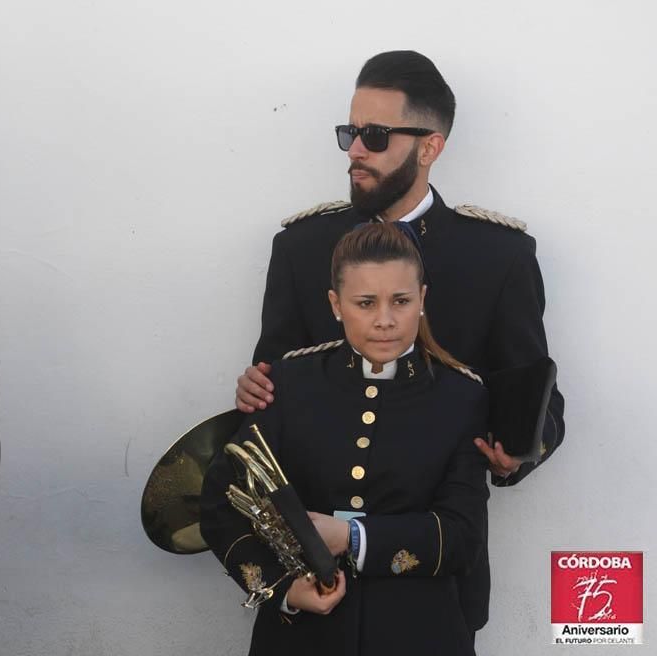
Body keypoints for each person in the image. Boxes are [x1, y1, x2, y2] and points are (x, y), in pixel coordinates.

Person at [233, 50, 564, 633]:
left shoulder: (498, 257)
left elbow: (540, 406)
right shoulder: (301, 246)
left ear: (430, 147)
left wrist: (517, 453)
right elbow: (277, 381)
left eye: (375, 135)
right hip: (311, 576)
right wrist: (253, 389)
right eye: (351, 132)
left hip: (433, 581)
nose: (355, 150)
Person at [202, 222, 489, 655]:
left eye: (401, 301)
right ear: (336, 305)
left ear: (423, 300)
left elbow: (463, 533)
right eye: (365, 303)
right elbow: (221, 501)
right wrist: (282, 589)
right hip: (299, 637)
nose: (385, 320)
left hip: (421, 633)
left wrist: (352, 537)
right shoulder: (287, 383)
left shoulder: (462, 396)